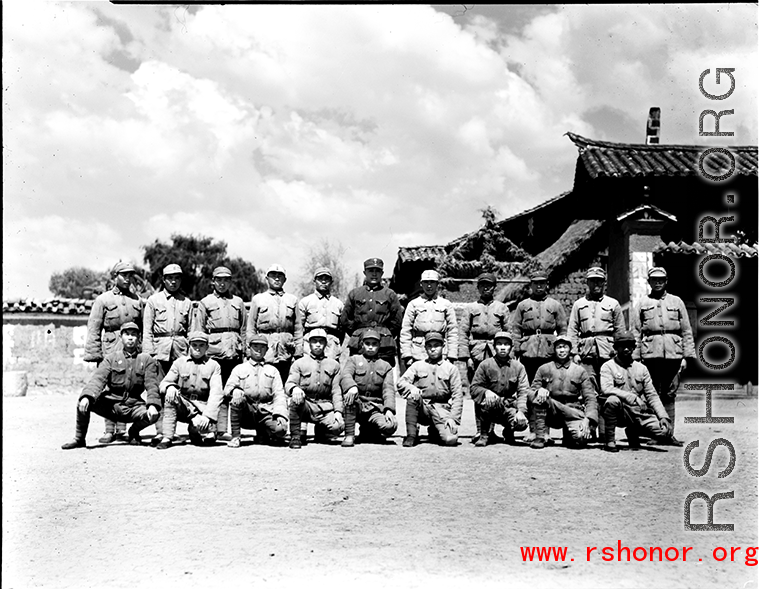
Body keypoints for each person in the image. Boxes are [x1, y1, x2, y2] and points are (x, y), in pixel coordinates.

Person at [61, 322, 160, 449]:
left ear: (139, 338)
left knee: (155, 413)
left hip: (133, 407)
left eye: (134, 335)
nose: (130, 338)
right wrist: (87, 396)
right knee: (83, 402)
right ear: (121, 337)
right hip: (111, 406)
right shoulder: (110, 358)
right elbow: (98, 379)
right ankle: (79, 439)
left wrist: (152, 405)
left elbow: (152, 385)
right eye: (127, 334)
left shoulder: (146, 360)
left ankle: (133, 432)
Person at [630, 267, 695, 446]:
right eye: (654, 279)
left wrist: (686, 357)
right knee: (653, 394)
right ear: (649, 282)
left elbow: (686, 331)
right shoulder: (642, 303)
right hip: (650, 356)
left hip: (674, 356)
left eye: (661, 279)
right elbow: (635, 332)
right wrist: (635, 359)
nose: (658, 282)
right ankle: (657, 433)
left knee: (670, 394)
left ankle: (669, 434)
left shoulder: (677, 301)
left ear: (666, 281)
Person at [83, 261, 145, 444]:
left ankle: (123, 430)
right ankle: (109, 430)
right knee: (110, 389)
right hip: (110, 349)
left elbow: (143, 327)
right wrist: (95, 354)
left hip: (132, 350)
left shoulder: (137, 300)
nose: (127, 279)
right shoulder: (103, 300)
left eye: (130, 275)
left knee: (130, 386)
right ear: (114, 277)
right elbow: (94, 327)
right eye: (123, 275)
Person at [193, 265, 247, 441]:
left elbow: (245, 329)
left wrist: (244, 351)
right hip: (215, 352)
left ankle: (225, 429)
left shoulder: (238, 302)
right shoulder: (205, 302)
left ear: (230, 282)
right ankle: (213, 428)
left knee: (231, 390)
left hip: (234, 351)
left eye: (226, 280)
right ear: (213, 282)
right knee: (215, 391)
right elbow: (199, 331)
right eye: (219, 280)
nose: (222, 284)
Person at [142, 263, 193, 445]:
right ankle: (160, 431)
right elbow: (147, 330)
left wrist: (189, 355)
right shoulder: (153, 301)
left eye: (177, 278)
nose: (173, 281)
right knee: (158, 390)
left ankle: (173, 429)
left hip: (179, 351)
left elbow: (191, 331)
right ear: (164, 280)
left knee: (177, 391)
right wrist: (148, 354)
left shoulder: (186, 303)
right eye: (170, 278)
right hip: (159, 350)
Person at [599, 331, 674, 452]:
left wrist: (663, 417)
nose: (626, 349)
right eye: (622, 346)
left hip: (638, 413)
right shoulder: (608, 366)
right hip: (620, 411)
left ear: (634, 347)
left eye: (630, 345)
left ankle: (633, 430)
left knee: (664, 432)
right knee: (612, 400)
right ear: (616, 348)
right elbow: (607, 389)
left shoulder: (641, 368)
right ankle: (610, 441)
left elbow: (652, 395)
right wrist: (633, 397)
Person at [458, 272, 510, 443]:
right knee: (479, 392)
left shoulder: (502, 308)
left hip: (497, 355)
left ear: (494, 288)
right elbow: (463, 333)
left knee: (496, 391)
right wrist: (466, 357)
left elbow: (509, 334)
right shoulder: (471, 308)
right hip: (476, 353)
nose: (486, 288)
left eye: (489, 285)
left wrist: (510, 356)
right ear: (478, 287)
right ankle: (480, 430)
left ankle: (492, 430)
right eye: (482, 285)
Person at [154, 331, 223, 450]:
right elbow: (163, 384)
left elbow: (216, 393)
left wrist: (207, 416)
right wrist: (170, 387)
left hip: (203, 408)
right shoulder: (179, 363)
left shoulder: (214, 365)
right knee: (170, 396)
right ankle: (167, 437)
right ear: (189, 346)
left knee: (200, 435)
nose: (198, 349)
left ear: (207, 347)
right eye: (194, 345)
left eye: (201, 345)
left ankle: (201, 431)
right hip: (184, 406)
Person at [528, 335, 597, 450]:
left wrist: (587, 419)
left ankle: (569, 435)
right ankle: (539, 436)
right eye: (559, 347)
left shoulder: (580, 371)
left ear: (570, 349)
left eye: (565, 347)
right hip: (552, 410)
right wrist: (539, 390)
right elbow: (530, 393)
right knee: (539, 398)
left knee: (580, 439)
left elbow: (590, 397)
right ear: (554, 349)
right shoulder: (544, 368)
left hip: (572, 411)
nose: (562, 350)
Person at [397, 332, 463, 447]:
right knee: (412, 397)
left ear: (443, 346)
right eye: (429, 346)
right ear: (425, 348)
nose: (433, 349)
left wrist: (453, 418)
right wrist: (412, 388)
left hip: (441, 410)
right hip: (422, 408)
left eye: (436, 345)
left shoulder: (451, 369)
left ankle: (434, 430)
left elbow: (458, 395)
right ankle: (411, 435)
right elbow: (401, 382)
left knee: (450, 439)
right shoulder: (417, 365)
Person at [566, 267, 626, 390]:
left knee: (609, 386)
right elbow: (572, 330)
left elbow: (620, 331)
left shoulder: (613, 303)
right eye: (592, 281)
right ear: (587, 283)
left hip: (608, 352)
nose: (596, 284)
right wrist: (574, 353)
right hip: (586, 353)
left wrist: (618, 351)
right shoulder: (579, 304)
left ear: (604, 283)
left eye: (599, 281)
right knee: (588, 387)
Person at [224, 334, 288, 448]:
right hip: (247, 412)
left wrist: (281, 414)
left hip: (266, 410)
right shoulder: (239, 368)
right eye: (255, 346)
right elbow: (227, 389)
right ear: (249, 348)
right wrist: (235, 390)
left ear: (267, 350)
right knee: (237, 399)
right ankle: (236, 437)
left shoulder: (272, 370)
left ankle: (264, 433)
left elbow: (279, 394)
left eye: (262, 347)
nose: (259, 349)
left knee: (280, 429)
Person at [285, 329, 344, 449]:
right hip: (306, 405)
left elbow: (336, 391)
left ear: (326, 344)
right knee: (295, 400)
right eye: (314, 341)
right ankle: (295, 436)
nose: (318, 344)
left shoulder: (334, 365)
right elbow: (289, 383)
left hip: (324, 406)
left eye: (321, 341)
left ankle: (321, 431)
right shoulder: (299, 363)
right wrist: (295, 389)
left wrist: (338, 412)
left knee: (338, 427)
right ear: (309, 344)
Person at [246, 264, 303, 386]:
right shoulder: (258, 299)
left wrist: (298, 350)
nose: (277, 279)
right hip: (265, 350)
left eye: (280, 276)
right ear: (267, 278)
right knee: (264, 383)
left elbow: (298, 328)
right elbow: (251, 327)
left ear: (285, 280)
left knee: (285, 382)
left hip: (286, 350)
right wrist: (249, 350)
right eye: (273, 276)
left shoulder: (292, 300)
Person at [469, 332, 529, 447]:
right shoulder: (485, 365)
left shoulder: (518, 367)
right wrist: (485, 392)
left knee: (521, 424)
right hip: (490, 406)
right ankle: (484, 434)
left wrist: (521, 411)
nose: (502, 347)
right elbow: (474, 388)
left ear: (511, 347)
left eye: (506, 344)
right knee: (485, 402)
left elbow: (523, 391)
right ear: (494, 346)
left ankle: (509, 431)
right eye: (499, 344)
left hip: (508, 405)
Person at [341, 258, 404, 367]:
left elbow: (397, 321)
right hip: (359, 342)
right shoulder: (355, 293)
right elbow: (346, 319)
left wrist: (385, 332)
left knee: (383, 373)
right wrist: (358, 332)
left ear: (382, 273)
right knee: (359, 372)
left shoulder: (389, 294)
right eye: (371, 271)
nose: (374, 274)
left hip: (384, 343)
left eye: (377, 271)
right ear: (365, 272)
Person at [339, 329, 397, 447]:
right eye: (367, 344)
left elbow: (388, 390)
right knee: (350, 399)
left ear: (379, 345)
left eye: (374, 344)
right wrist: (351, 387)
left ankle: (368, 431)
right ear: (362, 344)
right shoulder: (354, 360)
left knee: (390, 426)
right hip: (357, 403)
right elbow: (345, 375)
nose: (371, 347)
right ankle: (349, 435)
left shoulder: (385, 366)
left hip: (374, 407)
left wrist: (389, 409)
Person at [510, 271, 568, 384]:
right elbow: (516, 330)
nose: (539, 286)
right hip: (528, 350)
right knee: (528, 382)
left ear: (547, 284)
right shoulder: (523, 305)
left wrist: (561, 350)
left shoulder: (555, 305)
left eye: (542, 283)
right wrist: (515, 351)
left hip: (549, 351)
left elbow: (562, 329)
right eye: (536, 283)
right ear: (531, 285)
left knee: (548, 382)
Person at [399, 269, 458, 373]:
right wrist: (407, 354)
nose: (429, 286)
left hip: (441, 350)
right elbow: (406, 331)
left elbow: (452, 331)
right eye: (426, 282)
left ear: (437, 284)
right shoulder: (414, 304)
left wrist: (451, 355)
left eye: (432, 282)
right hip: (419, 351)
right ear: (421, 284)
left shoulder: (446, 304)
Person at [298, 267, 344, 361]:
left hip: (331, 344)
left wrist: (335, 342)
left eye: (327, 279)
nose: (323, 282)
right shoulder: (306, 302)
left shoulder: (338, 304)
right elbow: (299, 327)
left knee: (330, 370)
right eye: (320, 279)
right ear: (314, 281)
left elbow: (342, 330)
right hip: (310, 343)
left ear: (331, 282)